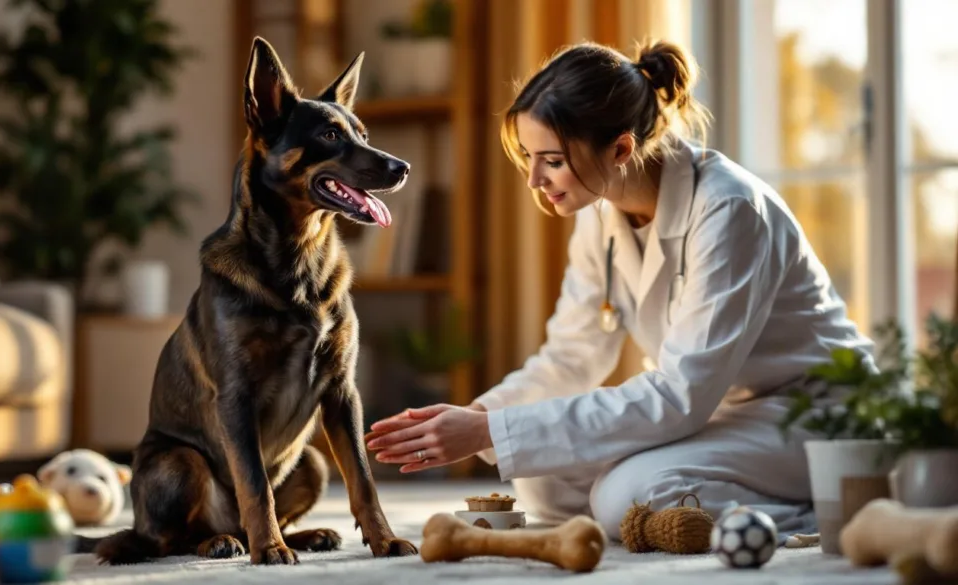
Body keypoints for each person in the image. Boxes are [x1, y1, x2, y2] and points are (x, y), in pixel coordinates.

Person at [363, 39, 874, 543]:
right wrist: (482, 417)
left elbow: (681, 394)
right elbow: (571, 358)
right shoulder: (600, 213)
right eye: (530, 157)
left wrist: (490, 434)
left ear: (622, 147)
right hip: (724, 410)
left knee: (630, 494)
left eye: (553, 160)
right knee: (543, 478)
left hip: (809, 412)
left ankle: (835, 508)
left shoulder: (729, 209)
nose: (535, 179)